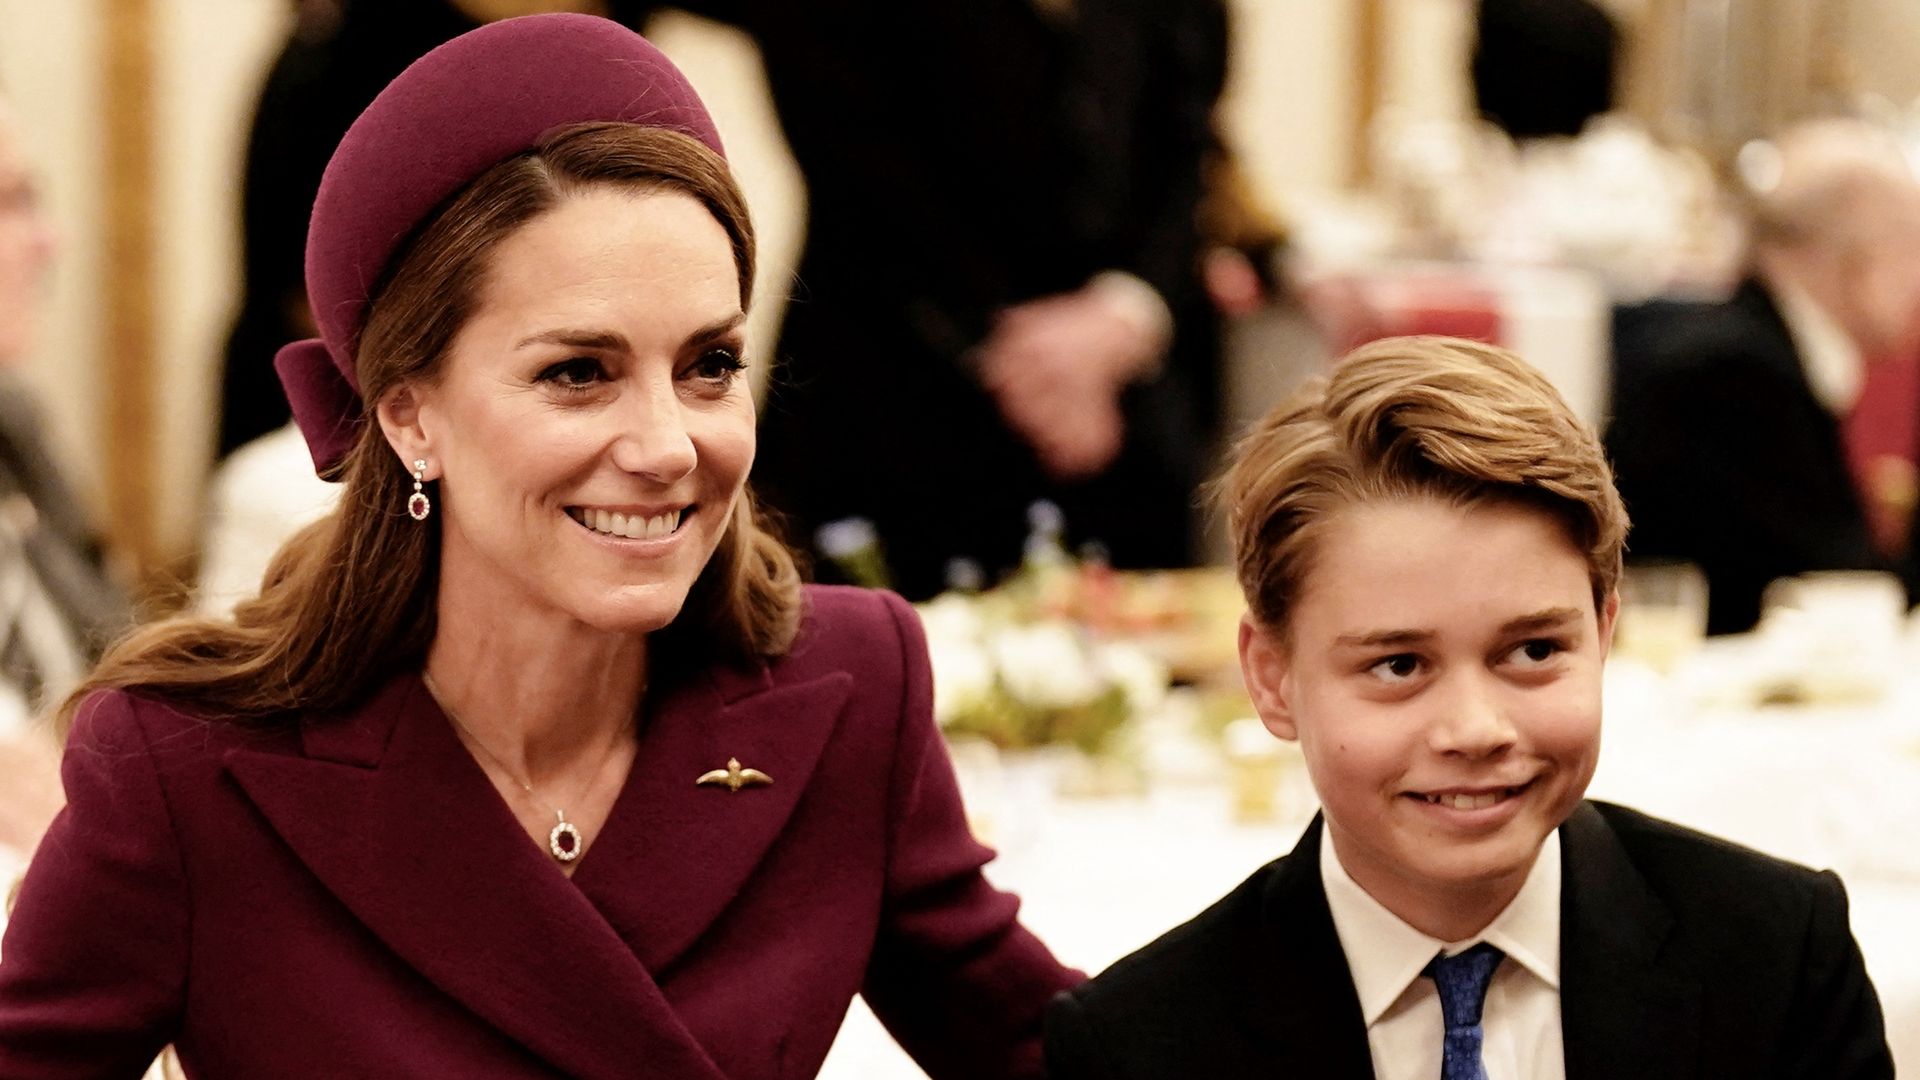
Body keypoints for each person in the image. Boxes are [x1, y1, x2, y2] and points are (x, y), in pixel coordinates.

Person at [0, 17, 1076, 1078]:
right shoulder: (183, 770)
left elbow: (1060, 1054)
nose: (667, 446)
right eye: (578, 373)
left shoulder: (848, 691)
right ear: (408, 414)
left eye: (709, 365)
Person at [1045, 336, 1893, 1078]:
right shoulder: (1143, 1045)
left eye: (1533, 652)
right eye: (1399, 665)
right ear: (1271, 677)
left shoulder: (1775, 960)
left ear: (1604, 631)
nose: (1477, 730)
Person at [613, 0, 1231, 598]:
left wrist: (1128, 312)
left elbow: (1192, 151)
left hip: (1125, 423)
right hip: (897, 405)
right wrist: (1037, 363)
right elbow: (854, 158)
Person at [1607, 118, 1920, 634]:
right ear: (1855, 258)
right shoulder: (1730, 374)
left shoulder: (1758, 347)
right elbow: (1839, 579)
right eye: (1909, 246)